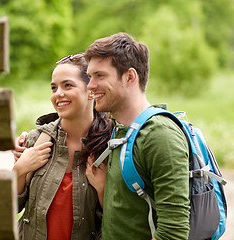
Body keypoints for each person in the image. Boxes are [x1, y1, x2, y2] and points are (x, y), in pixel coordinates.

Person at [84, 32, 190, 240]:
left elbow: (173, 234)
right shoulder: (120, 130)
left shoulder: (160, 135)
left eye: (100, 76)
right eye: (90, 76)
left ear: (130, 77)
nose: (90, 85)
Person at [12, 53, 112, 240]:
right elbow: (10, 209)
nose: (58, 94)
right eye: (53, 87)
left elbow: (117, 224)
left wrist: (102, 190)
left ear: (91, 90)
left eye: (68, 85)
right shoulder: (35, 141)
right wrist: (19, 170)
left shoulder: (108, 147)